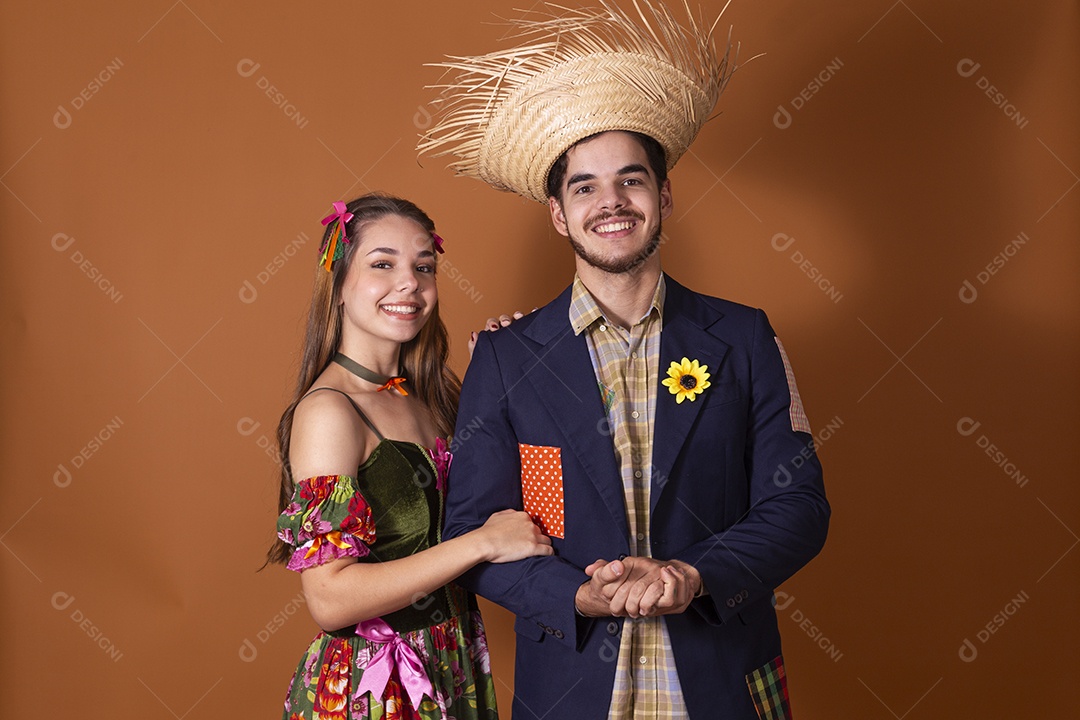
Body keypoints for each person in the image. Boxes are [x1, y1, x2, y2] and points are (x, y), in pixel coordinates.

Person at [419, 3, 830, 719]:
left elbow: (798, 506)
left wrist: (693, 574)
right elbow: (472, 533)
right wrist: (574, 593)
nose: (611, 203)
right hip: (571, 690)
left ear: (663, 195)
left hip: (721, 682)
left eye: (631, 180)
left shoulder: (745, 339)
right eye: (584, 187)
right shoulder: (505, 357)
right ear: (559, 214)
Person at [266, 193, 553, 720]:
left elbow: (531, 499)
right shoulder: (330, 412)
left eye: (424, 266)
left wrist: (508, 373)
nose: (410, 283)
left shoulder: (433, 398)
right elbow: (330, 599)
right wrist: (480, 543)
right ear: (339, 286)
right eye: (383, 264)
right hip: (374, 684)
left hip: (454, 659)